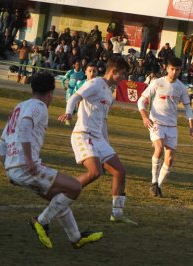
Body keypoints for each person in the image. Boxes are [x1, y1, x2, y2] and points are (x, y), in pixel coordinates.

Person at [0, 72, 103, 249]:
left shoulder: (19, 106)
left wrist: (8, 168)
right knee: (75, 188)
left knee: (58, 198)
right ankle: (41, 221)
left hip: (14, 168)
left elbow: (2, 143)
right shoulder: (39, 106)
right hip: (26, 165)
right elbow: (25, 127)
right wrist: (29, 160)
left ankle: (76, 238)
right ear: (50, 93)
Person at [58, 56, 137, 224]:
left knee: (120, 172)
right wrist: (69, 113)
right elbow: (74, 97)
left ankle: (117, 213)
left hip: (99, 138)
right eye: (122, 74)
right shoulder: (95, 83)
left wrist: (106, 143)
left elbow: (103, 121)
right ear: (113, 72)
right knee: (95, 173)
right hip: (84, 134)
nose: (123, 79)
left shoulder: (109, 94)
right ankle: (61, 197)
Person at [137, 57, 193, 197]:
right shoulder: (157, 83)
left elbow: (188, 108)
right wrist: (145, 117)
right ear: (166, 68)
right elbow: (141, 100)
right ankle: (153, 182)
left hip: (172, 126)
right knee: (158, 148)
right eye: (172, 69)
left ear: (180, 70)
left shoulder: (181, 87)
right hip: (156, 122)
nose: (174, 72)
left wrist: (191, 126)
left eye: (177, 69)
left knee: (169, 160)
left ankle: (158, 185)